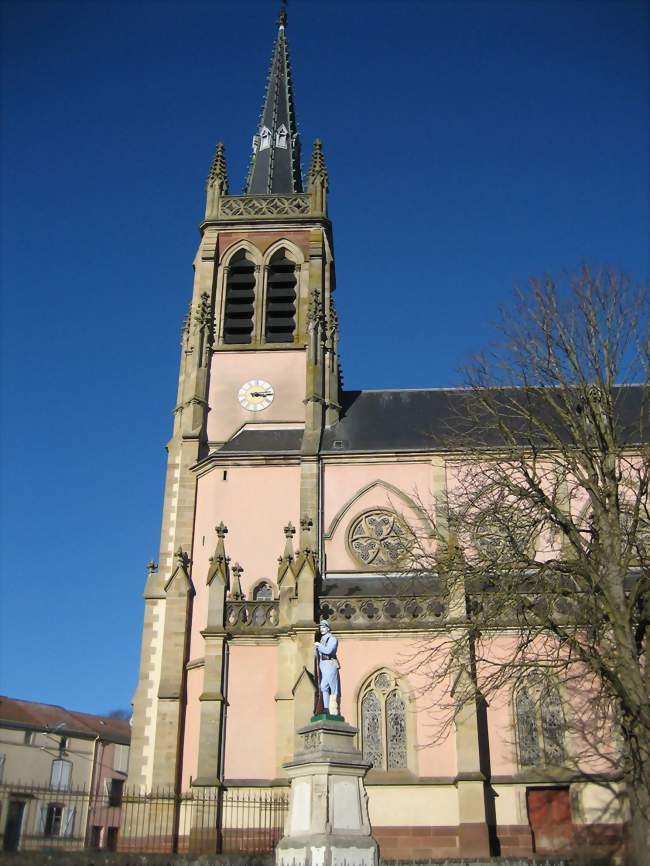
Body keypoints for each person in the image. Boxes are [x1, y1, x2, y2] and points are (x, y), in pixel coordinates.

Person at [315, 620, 340, 715]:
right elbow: (319, 654)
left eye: (324, 627)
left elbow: (329, 650)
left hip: (330, 663)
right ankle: (326, 708)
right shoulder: (322, 640)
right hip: (323, 664)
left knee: (333, 687)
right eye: (320, 627)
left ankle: (333, 709)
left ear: (328, 628)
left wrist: (319, 646)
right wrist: (315, 649)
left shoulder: (332, 639)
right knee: (323, 686)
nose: (321, 629)